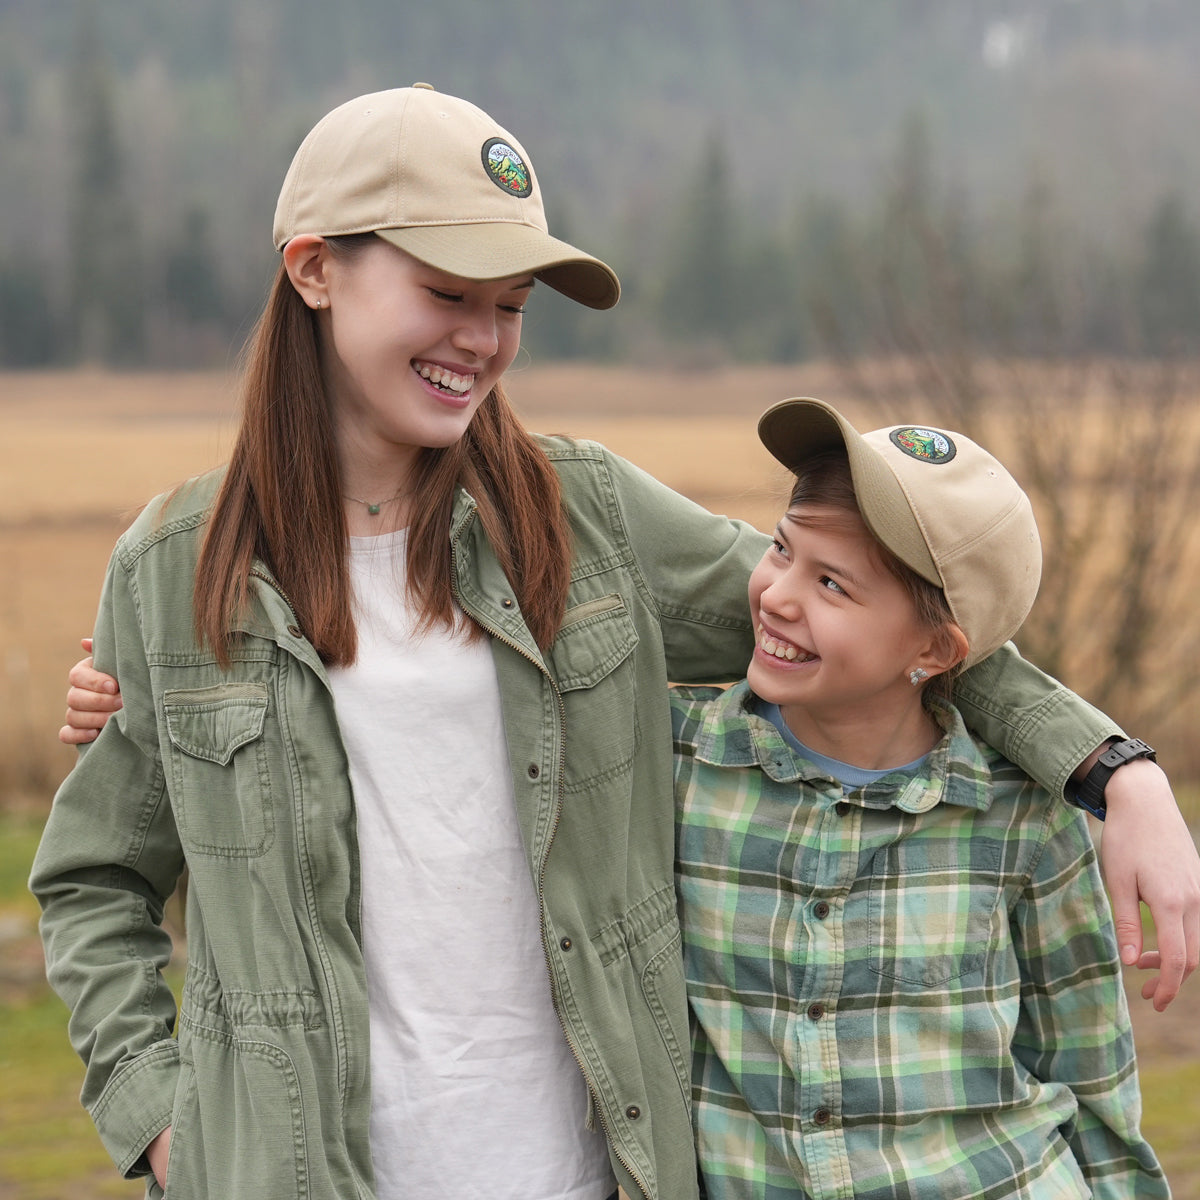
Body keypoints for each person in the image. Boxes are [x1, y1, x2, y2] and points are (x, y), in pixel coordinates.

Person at [34, 83, 1195, 1200]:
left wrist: (1111, 771)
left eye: (510, 307)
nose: (484, 340)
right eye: (450, 291)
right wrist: (165, 1126)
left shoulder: (588, 517)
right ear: (315, 268)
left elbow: (884, 617)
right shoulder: (174, 568)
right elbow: (93, 881)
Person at [672, 398, 1169, 1198]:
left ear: (934, 650)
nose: (776, 596)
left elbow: (1091, 1075)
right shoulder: (679, 764)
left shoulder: (1026, 818)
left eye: (832, 584)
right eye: (781, 550)